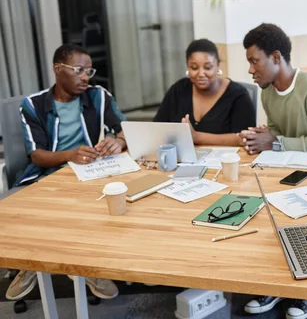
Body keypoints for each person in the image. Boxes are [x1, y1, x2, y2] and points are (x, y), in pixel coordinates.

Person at [239, 23, 307, 319]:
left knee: (302, 217)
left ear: (276, 57)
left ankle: (305, 291)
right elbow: (277, 133)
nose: (251, 70)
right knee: (260, 203)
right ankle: (277, 283)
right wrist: (263, 137)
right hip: (292, 166)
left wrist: (275, 141)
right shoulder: (268, 93)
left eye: (254, 61)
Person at [7, 44, 126, 302]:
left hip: (92, 172)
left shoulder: (99, 96)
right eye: (78, 70)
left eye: (89, 71)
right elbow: (37, 155)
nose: (85, 77)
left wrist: (118, 142)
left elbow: (123, 128)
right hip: (47, 174)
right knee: (17, 208)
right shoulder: (34, 105)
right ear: (58, 69)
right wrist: (69, 155)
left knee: (108, 204)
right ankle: (31, 262)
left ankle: (88, 266)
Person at [154, 38, 256, 145]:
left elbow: (245, 137)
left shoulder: (238, 95)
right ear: (188, 67)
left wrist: (196, 137)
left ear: (217, 66)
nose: (201, 73)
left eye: (208, 67)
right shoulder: (178, 90)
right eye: (194, 68)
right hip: (182, 159)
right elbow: (157, 127)